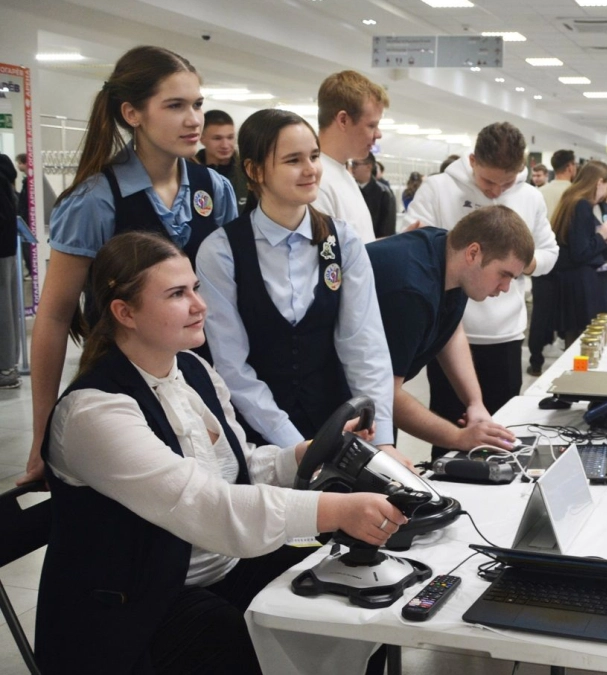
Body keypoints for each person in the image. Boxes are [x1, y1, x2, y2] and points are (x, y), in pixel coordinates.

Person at [34, 231, 407, 675]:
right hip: (132, 609)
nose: (199, 305)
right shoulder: (94, 413)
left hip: (218, 572)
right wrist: (335, 509)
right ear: (124, 312)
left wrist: (303, 454)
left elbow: (236, 467)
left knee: (353, 603)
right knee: (230, 639)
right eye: (177, 294)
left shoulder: (193, 369)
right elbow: (207, 505)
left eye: (195, 287)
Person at [23, 46, 239, 486]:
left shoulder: (214, 190)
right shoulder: (95, 200)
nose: (194, 120)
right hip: (123, 385)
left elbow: (231, 299)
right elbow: (55, 316)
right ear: (132, 113)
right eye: (175, 106)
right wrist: (42, 432)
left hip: (200, 376)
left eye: (197, 104)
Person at [195, 108, 399, 466]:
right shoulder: (222, 251)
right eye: (293, 160)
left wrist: (381, 438)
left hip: (339, 425)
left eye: (314, 156)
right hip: (260, 439)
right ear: (254, 170)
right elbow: (232, 368)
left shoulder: (343, 241)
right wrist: (300, 447)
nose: (310, 170)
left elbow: (364, 346)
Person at [404, 122, 559, 420]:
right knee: (450, 425)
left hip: (505, 334)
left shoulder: (530, 197)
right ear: (473, 160)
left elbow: (550, 254)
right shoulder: (438, 188)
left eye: (507, 183)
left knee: (501, 425)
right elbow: (413, 245)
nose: (495, 191)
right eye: (488, 181)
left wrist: (517, 264)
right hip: (447, 332)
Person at [369, 206, 532, 457]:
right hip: (325, 400)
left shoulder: (448, 252)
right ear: (473, 253)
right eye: (504, 274)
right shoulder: (411, 290)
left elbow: (451, 328)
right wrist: (458, 437)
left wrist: (474, 402)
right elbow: (383, 393)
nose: (505, 287)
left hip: (366, 398)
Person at [551, 161, 607, 343]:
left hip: (571, 283)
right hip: (581, 285)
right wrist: (603, 235)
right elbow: (581, 252)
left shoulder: (571, 200)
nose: (606, 192)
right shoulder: (582, 205)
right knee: (584, 342)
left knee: (575, 341)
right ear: (599, 182)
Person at [313, 70, 388, 244]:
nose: (378, 134)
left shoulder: (343, 174)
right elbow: (328, 256)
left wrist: (396, 242)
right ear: (343, 120)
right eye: (371, 125)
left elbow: (359, 247)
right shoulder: (316, 182)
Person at [527, 149, 578, 376]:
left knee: (540, 311)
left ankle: (536, 361)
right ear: (570, 167)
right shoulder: (575, 194)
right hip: (568, 262)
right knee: (569, 313)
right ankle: (568, 364)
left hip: (541, 259)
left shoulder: (539, 193)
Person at [196, 109, 249, 211]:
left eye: (230, 137)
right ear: (202, 139)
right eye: (217, 138)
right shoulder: (187, 172)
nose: (225, 145)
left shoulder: (248, 172)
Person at [16, 153, 56, 279]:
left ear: (25, 163)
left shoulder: (31, 181)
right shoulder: (28, 181)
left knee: (28, 247)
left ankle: (32, 270)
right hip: (27, 218)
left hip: (28, 219)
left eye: (19, 163)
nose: (18, 166)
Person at [0, 155, 17, 389]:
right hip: (8, 249)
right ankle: (8, 364)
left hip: (2, 251)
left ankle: (6, 368)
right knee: (8, 307)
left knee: (4, 310)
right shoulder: (5, 174)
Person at [350, 153, 396, 239]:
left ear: (368, 167)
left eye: (355, 164)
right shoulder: (350, 190)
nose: (352, 168)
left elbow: (387, 229)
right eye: (352, 164)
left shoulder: (384, 193)